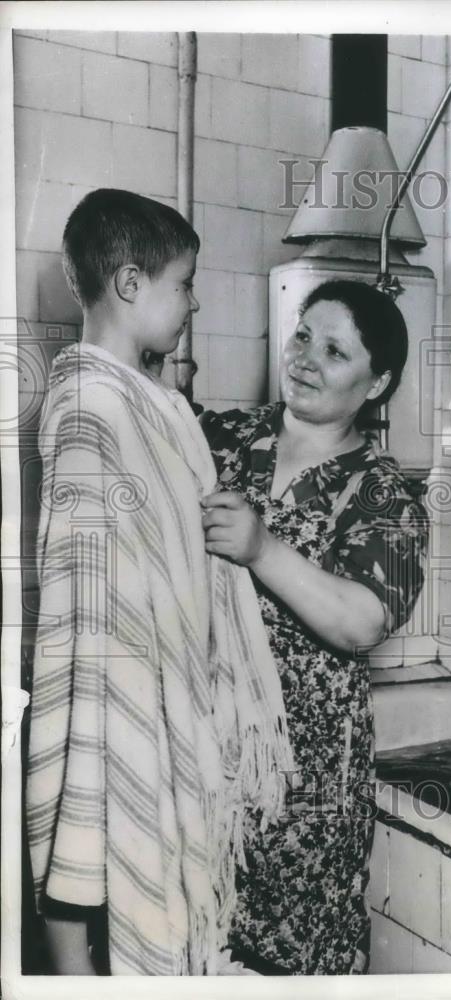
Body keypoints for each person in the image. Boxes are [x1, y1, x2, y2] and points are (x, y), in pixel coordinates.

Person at [26, 189, 294, 976]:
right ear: (132, 284)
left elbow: (177, 540)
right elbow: (79, 573)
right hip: (109, 667)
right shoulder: (85, 403)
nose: (195, 302)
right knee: (82, 813)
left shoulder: (158, 404)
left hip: (167, 665)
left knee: (133, 834)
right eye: (184, 284)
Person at [200, 279, 429, 974]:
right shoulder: (225, 438)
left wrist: (262, 548)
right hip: (209, 737)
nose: (305, 358)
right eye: (303, 336)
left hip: (310, 766)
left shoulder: (383, 489)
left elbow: (362, 621)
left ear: (377, 382)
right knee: (201, 934)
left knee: (289, 957)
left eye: (335, 351)